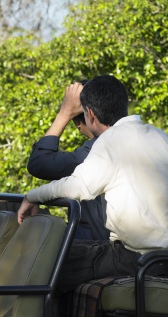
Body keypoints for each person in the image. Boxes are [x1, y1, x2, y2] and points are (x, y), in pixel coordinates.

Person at [17, 75, 168, 293]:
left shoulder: (108, 142)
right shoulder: (158, 135)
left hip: (132, 258)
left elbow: (76, 187)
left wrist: (32, 196)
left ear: (90, 114)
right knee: (63, 254)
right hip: (164, 257)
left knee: (43, 262)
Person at [27, 81, 109, 241]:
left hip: (99, 249)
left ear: (86, 118)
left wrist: (64, 113)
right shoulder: (143, 140)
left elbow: (38, 164)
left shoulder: (95, 152)